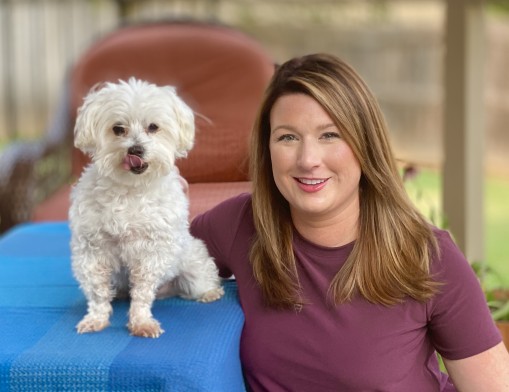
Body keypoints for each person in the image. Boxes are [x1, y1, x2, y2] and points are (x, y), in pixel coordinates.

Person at [190, 53, 509, 391]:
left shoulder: (429, 256)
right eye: (288, 137)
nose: (308, 160)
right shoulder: (239, 225)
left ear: (364, 144)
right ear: (267, 148)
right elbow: (149, 260)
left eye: (330, 135)